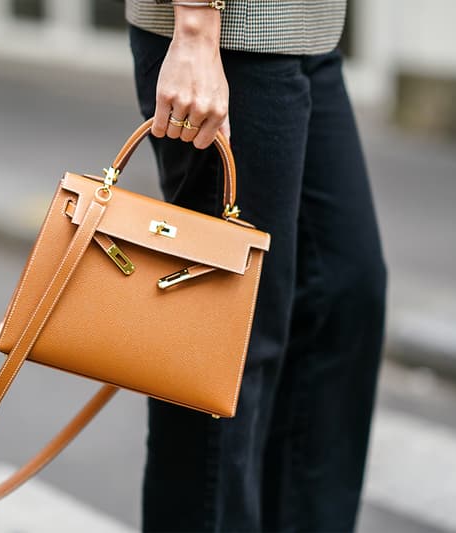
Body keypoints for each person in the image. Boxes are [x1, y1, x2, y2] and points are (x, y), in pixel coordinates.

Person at [125, 1, 387, 531]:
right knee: (224, 351)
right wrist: (195, 28)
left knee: (345, 291)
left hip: (308, 33)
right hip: (228, 39)